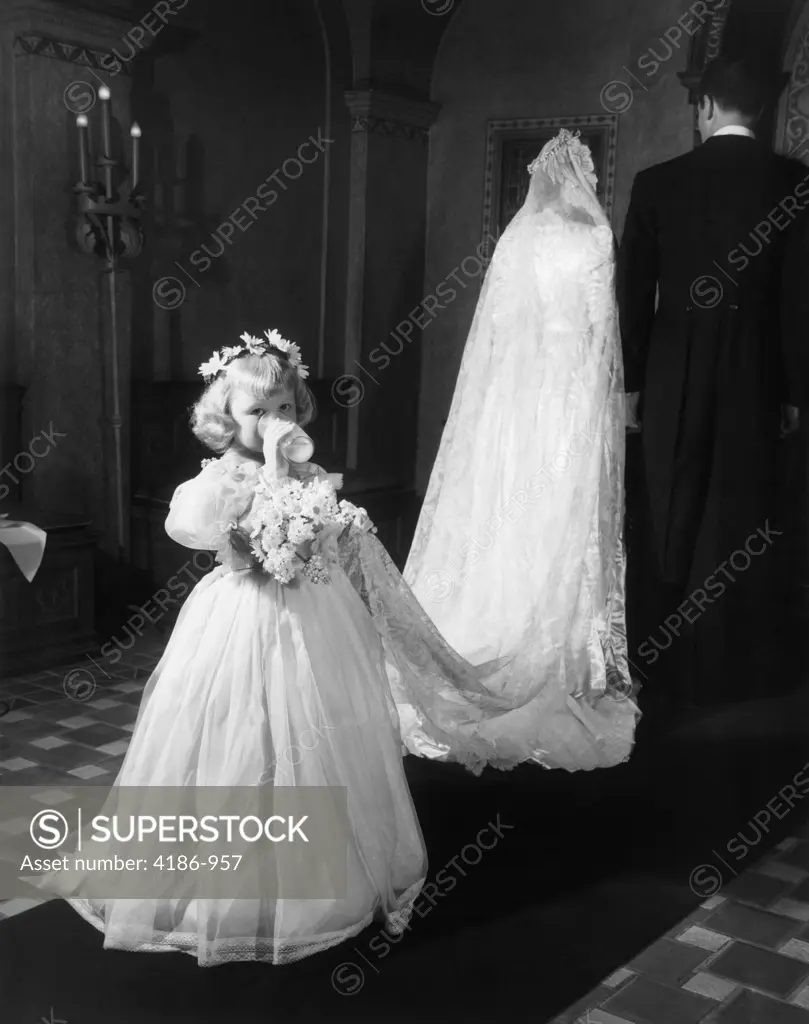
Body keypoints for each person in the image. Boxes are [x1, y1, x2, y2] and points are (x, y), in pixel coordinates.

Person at [49, 331, 427, 966]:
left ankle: (319, 867)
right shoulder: (222, 479)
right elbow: (208, 531)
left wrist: (319, 513)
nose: (273, 421)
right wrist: (270, 479)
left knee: (312, 726)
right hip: (241, 614)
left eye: (284, 407)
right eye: (258, 412)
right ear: (227, 418)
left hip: (309, 618)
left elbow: (311, 547)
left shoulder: (311, 474)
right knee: (234, 725)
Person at [396, 128, 638, 765]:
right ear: (582, 177)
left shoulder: (513, 240)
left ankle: (492, 620)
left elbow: (496, 331)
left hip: (511, 397)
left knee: (503, 502)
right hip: (567, 394)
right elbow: (600, 331)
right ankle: (553, 644)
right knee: (559, 510)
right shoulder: (594, 238)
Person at [617, 56, 808, 711]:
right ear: (761, 111)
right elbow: (798, 298)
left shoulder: (658, 182)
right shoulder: (793, 182)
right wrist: (791, 391)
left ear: (703, 109)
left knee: (669, 507)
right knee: (743, 508)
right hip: (756, 368)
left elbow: (633, 292)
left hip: (672, 365)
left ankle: (660, 665)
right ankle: (734, 663)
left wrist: (631, 384)